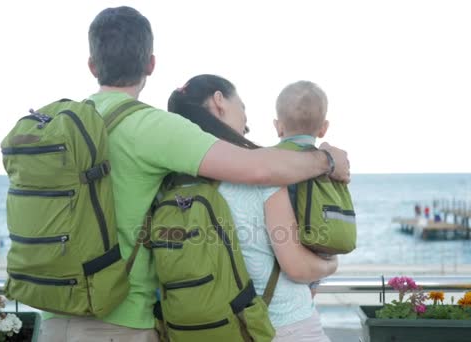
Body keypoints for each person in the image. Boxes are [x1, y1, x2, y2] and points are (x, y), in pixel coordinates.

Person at [38, 6, 350, 342]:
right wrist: (327, 162)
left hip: (55, 311)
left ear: (92, 65)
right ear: (150, 64)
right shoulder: (153, 129)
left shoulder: (58, 126)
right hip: (121, 317)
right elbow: (260, 169)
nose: (246, 120)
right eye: (241, 107)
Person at [168, 74, 337, 342]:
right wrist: (330, 266)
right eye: (243, 107)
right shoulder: (264, 175)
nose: (246, 118)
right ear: (219, 101)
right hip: (282, 326)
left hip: (211, 330)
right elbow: (296, 267)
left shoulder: (173, 180)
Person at [273, 80, 350, 299]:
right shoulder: (330, 165)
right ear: (323, 128)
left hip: (276, 254)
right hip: (313, 254)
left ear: (278, 126)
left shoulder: (270, 160)